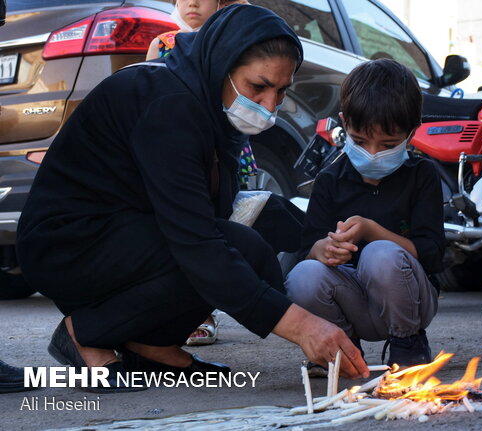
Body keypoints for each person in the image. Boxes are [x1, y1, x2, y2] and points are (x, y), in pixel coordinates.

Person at [16, 5, 368, 393]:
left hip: (124, 232)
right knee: (217, 253)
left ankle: (151, 346)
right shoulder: (169, 105)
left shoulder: (208, 101)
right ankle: (84, 334)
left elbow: (223, 209)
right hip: (68, 245)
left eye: (281, 91)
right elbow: (197, 243)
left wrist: (311, 243)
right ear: (222, 65)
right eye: (258, 87)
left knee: (248, 249)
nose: (269, 106)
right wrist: (303, 327)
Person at [285, 59, 445, 376]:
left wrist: (372, 231)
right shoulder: (330, 180)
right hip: (352, 301)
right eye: (360, 141)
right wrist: (325, 250)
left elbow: (433, 254)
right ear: (345, 124)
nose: (372, 153)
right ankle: (343, 348)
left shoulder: (422, 175)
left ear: (412, 133)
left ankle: (408, 344)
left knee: (379, 254)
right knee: (303, 275)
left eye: (387, 145)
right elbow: (308, 249)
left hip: (410, 300)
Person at [147, 0, 253, 347]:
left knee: (214, 227)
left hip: (220, 151)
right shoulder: (164, 43)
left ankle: (204, 311)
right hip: (174, 153)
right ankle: (170, 310)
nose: (192, 2)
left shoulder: (236, 42)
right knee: (174, 227)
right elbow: (145, 96)